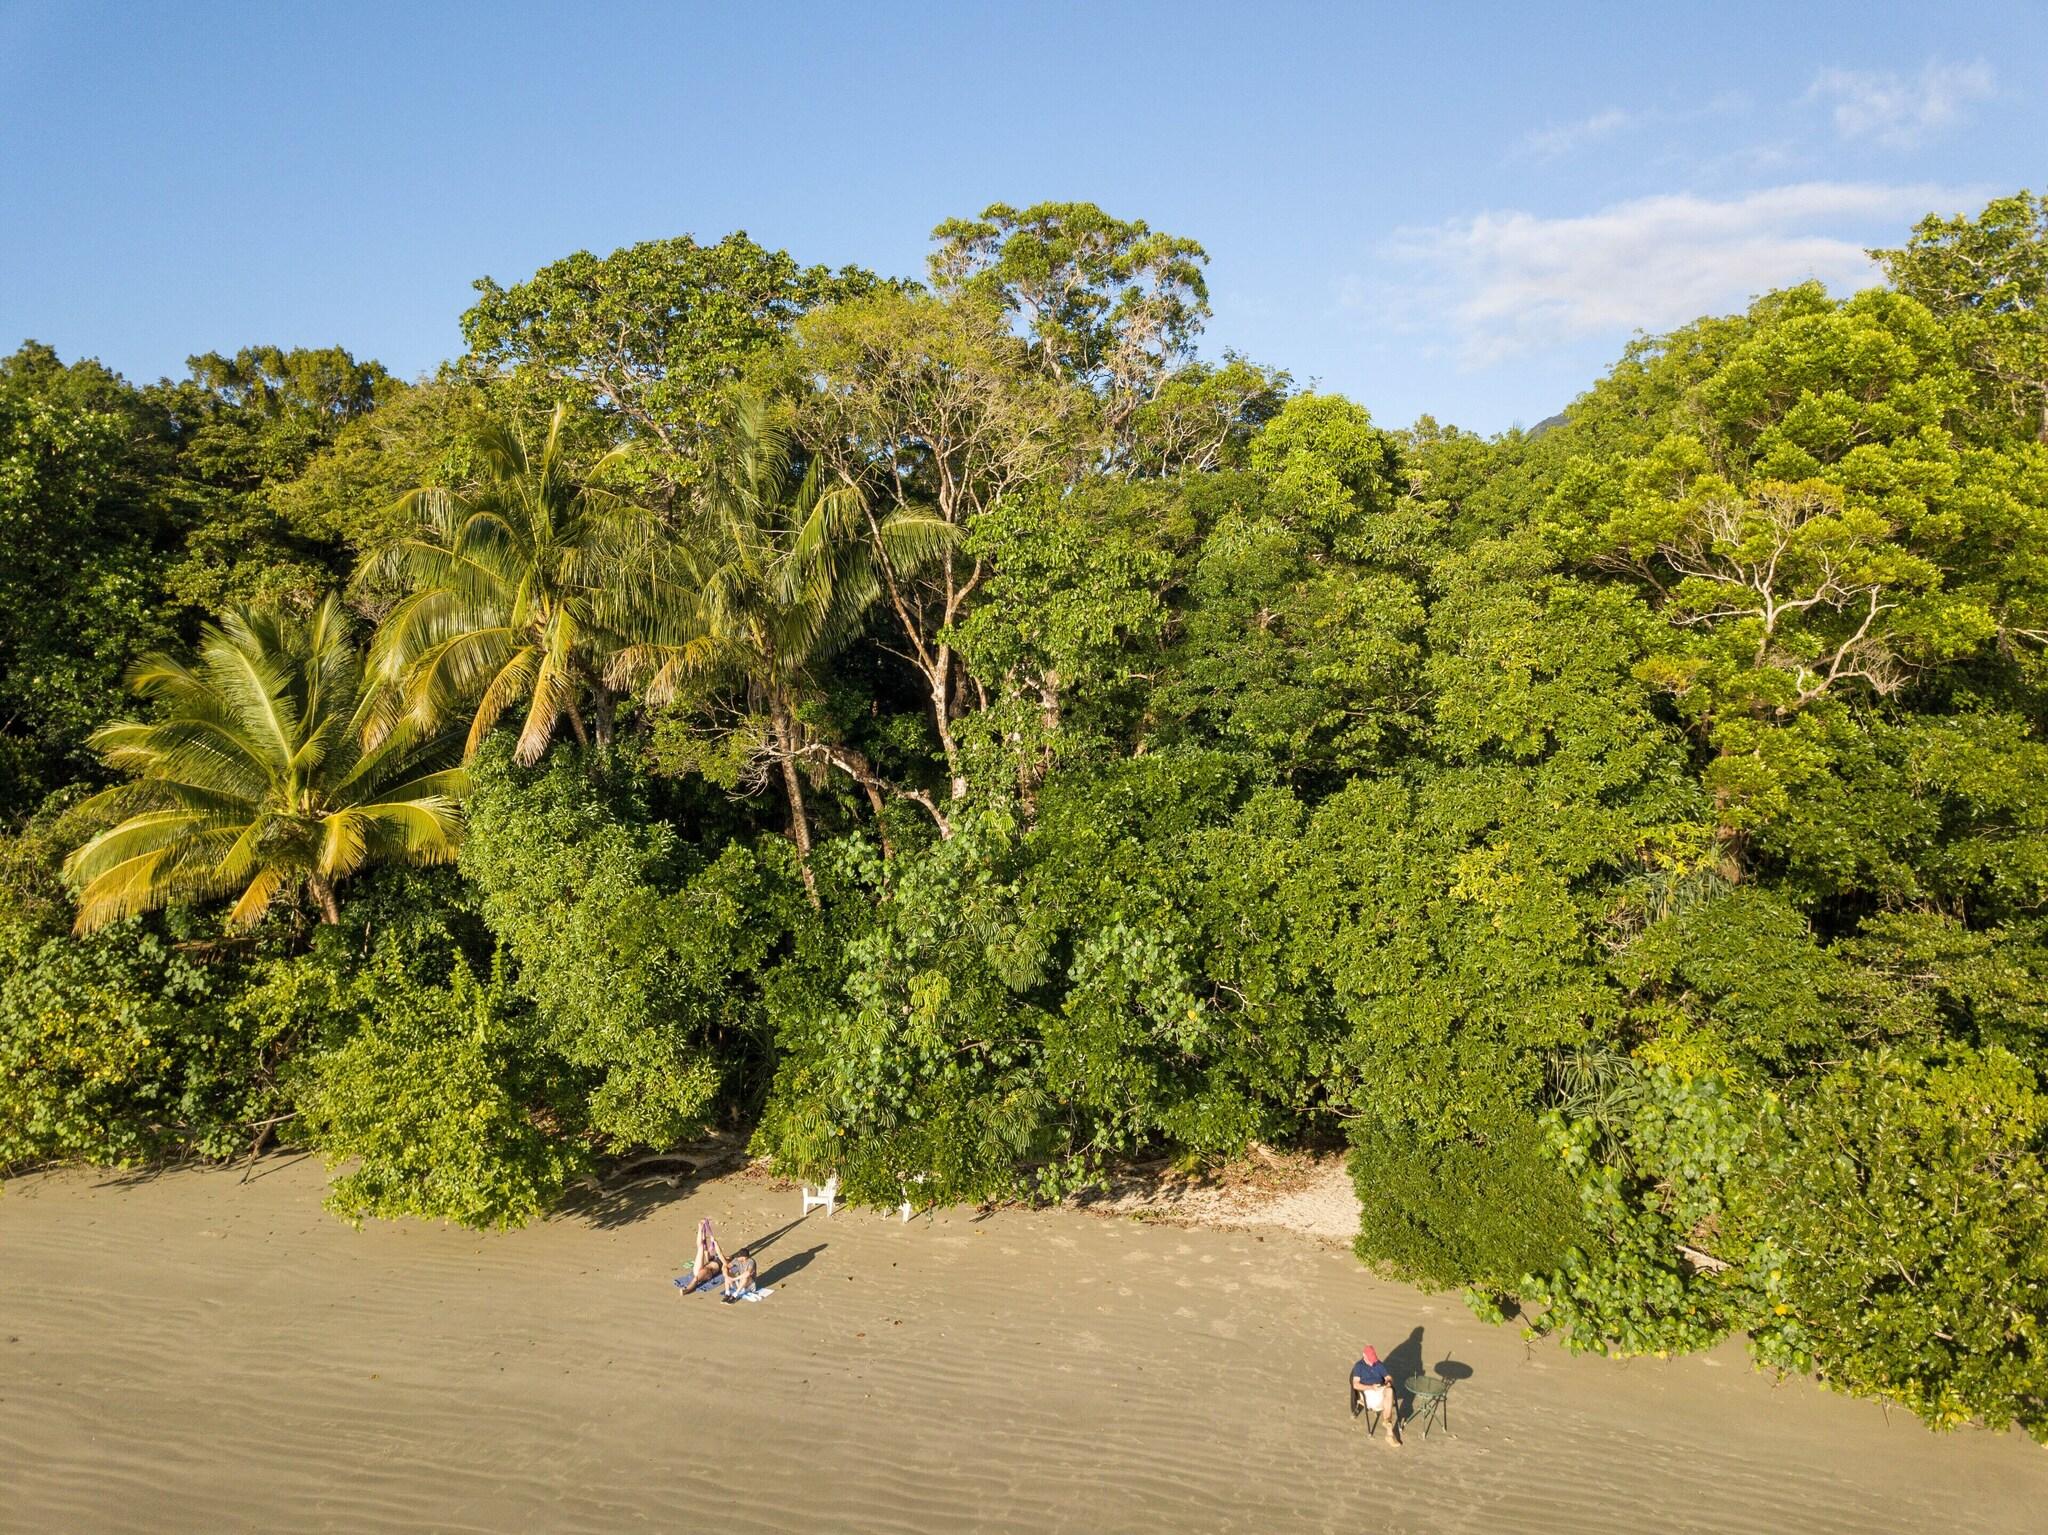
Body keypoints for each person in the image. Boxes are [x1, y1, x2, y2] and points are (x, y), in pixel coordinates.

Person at [1350, 1345, 1402, 1445]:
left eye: (1373, 1359)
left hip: (1380, 1390)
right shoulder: (1359, 1366)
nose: (1372, 1362)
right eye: (1370, 1359)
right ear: (1364, 1356)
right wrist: (1371, 1387)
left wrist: (1389, 1381)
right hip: (1368, 1393)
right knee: (1389, 1399)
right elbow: (1355, 1384)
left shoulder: (1378, 1364)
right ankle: (1389, 1429)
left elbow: (1388, 1377)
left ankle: (1388, 1429)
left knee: (1390, 1390)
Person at [685, 1218, 725, 1292]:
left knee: (696, 1279)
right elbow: (704, 1245)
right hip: (701, 1268)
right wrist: (703, 1230)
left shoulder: (724, 1261)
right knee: (700, 1248)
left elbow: (720, 1253)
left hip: (708, 1272)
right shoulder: (712, 1258)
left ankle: (687, 1289)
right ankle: (700, 1228)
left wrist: (715, 1242)